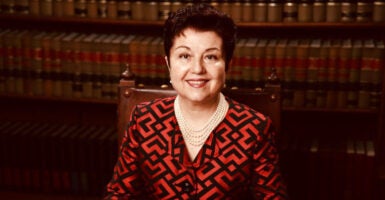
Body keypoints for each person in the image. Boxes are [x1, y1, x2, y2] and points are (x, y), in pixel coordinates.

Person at [104, 3, 287, 199]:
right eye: (184, 56)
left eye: (210, 56)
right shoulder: (143, 119)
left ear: (227, 64)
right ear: (168, 63)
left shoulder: (256, 129)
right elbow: (119, 194)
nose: (197, 69)